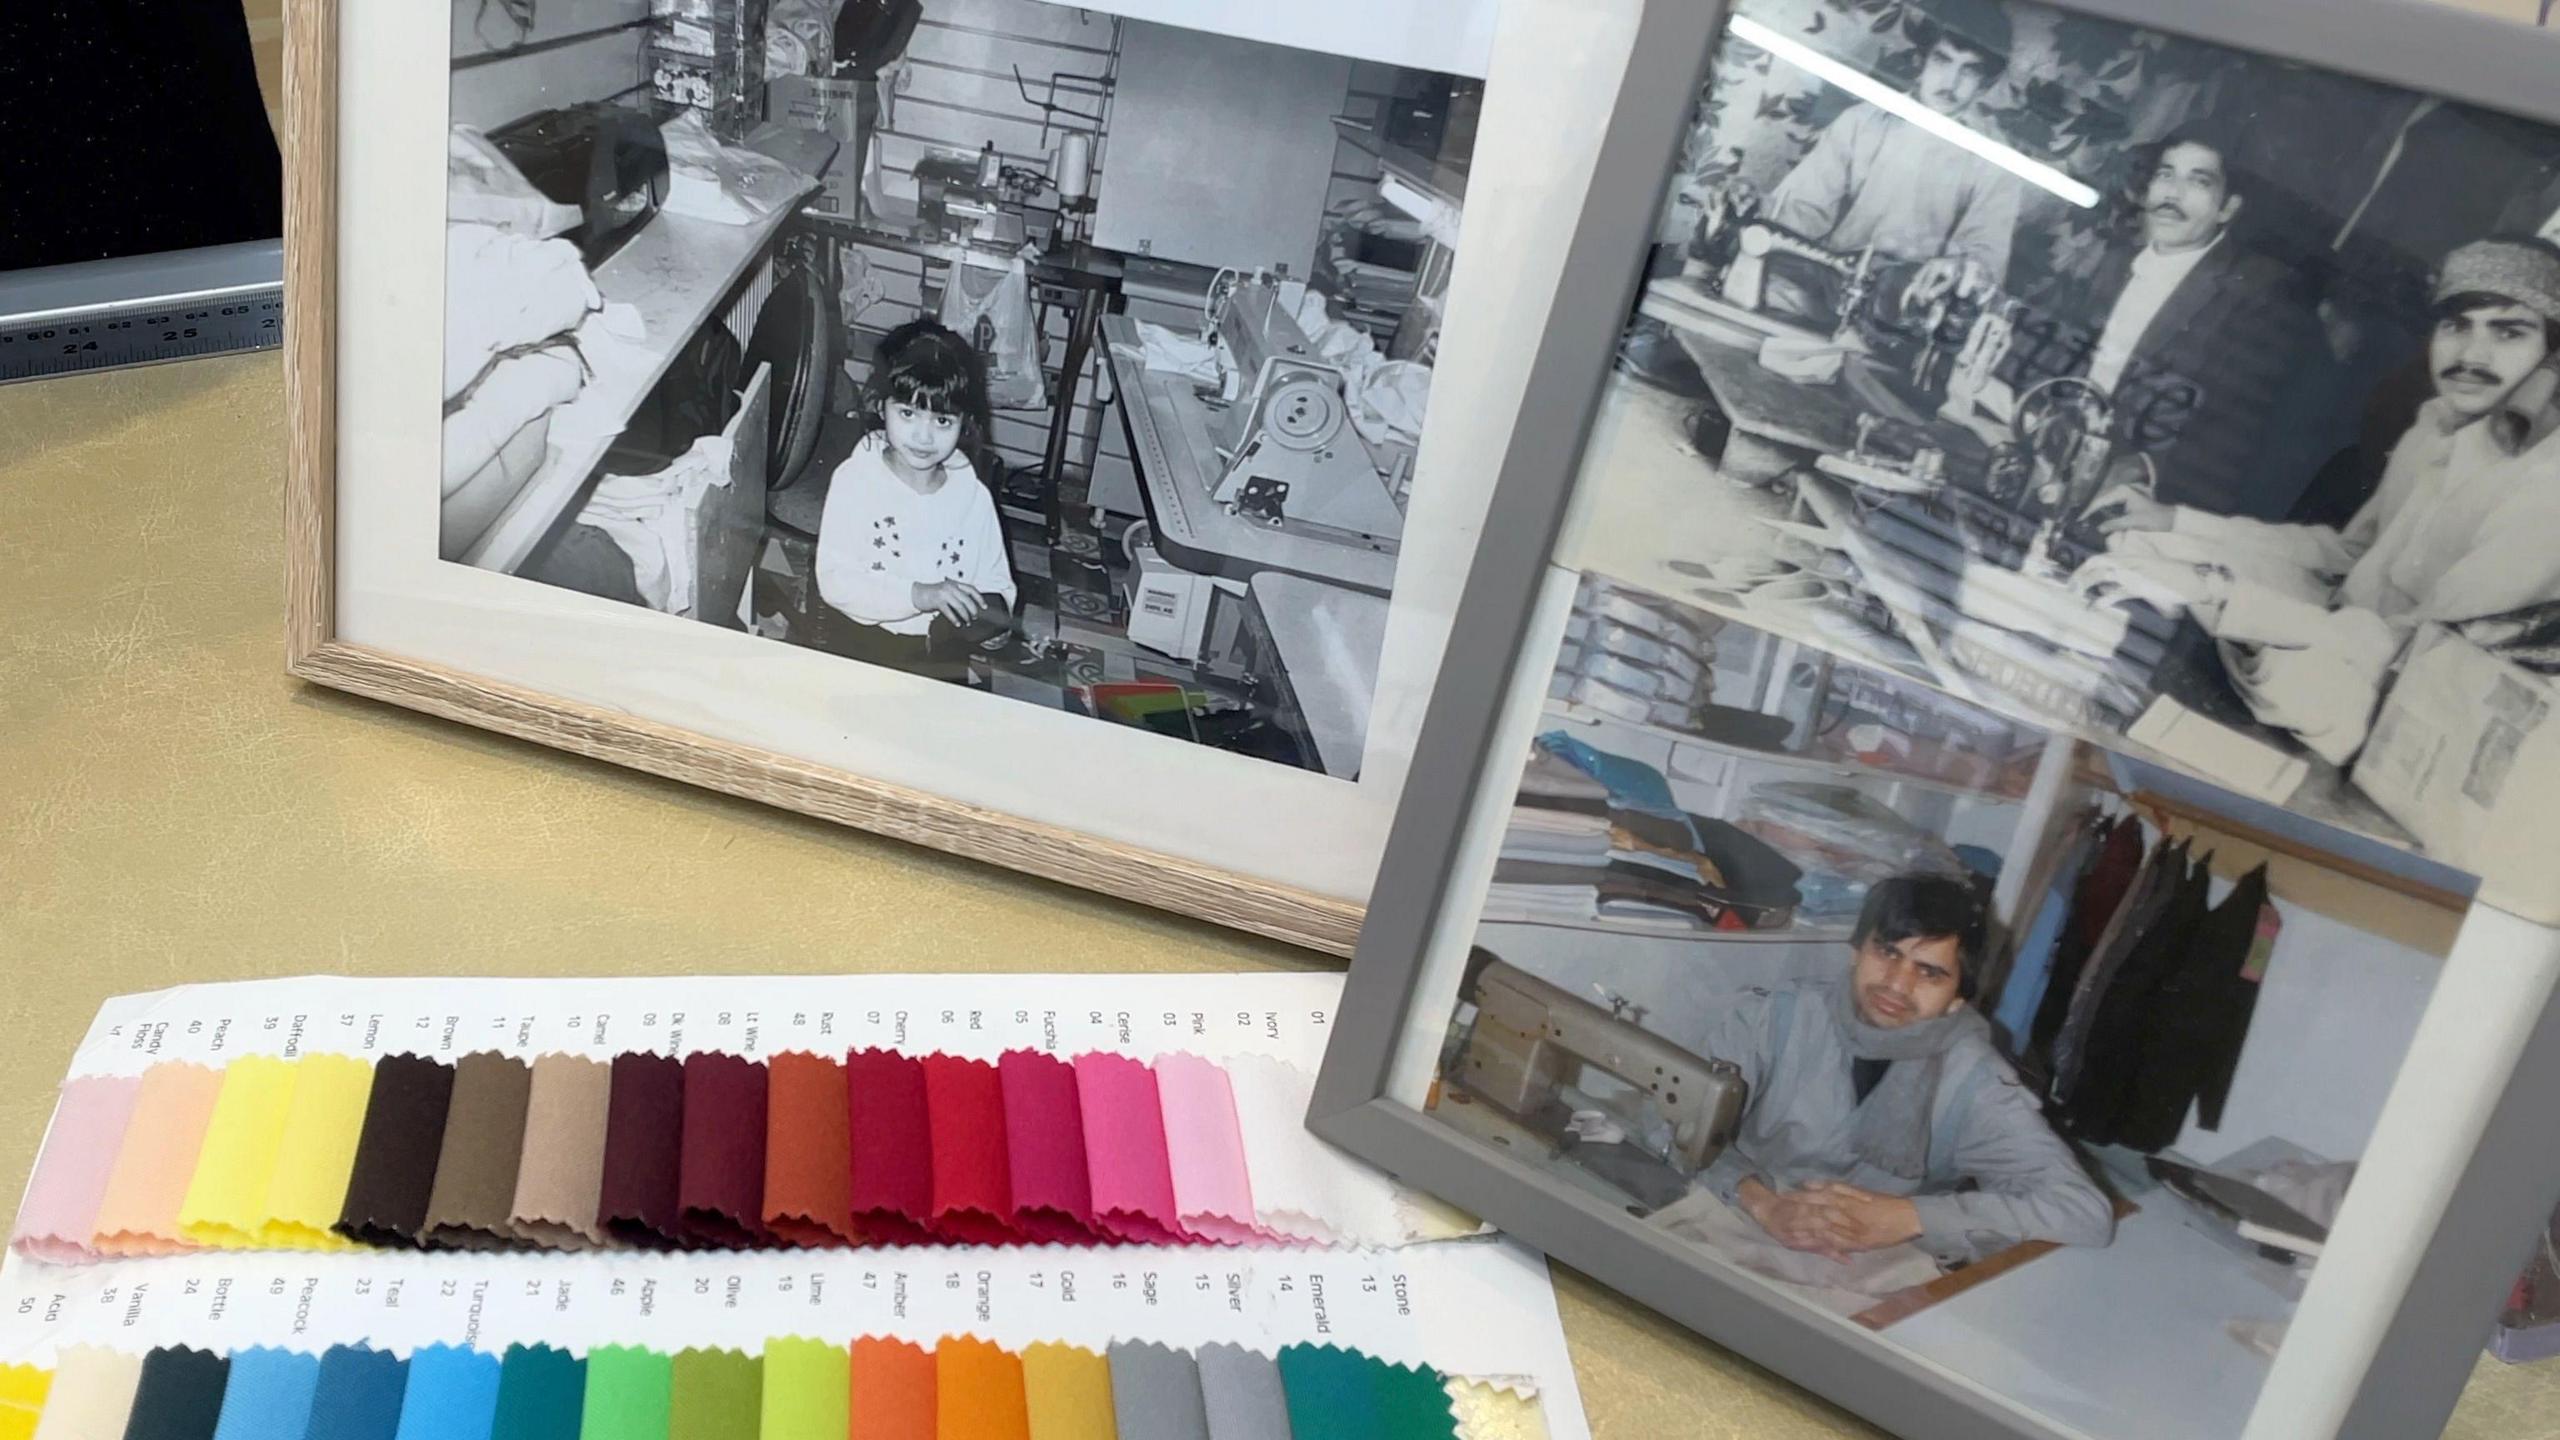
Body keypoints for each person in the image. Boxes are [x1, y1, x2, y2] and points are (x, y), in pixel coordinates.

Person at [2080, 237, 2560, 761]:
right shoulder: (2437, 426)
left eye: (2509, 332)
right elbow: (2349, 559)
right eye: (2456, 325)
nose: (2471, 355)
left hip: (2396, 723)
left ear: (2550, 353)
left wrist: (2219, 595)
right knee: (2146, 548)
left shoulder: (2546, 485)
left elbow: (2421, 655)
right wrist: (2174, 523)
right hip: (2324, 659)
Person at [1694, 875, 2115, 1264]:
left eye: (1929, 972)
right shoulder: (1776, 1017)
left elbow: (2082, 1211)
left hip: (1874, 1266)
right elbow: (1666, 1113)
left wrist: (1911, 1218)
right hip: (1738, 1217)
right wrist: (1762, 1202)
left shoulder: (1976, 1080)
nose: (1896, 984)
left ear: (1959, 997)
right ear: (1857, 951)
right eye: (1887, 952)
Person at [1759, 0, 2023, 317]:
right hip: (1828, 285)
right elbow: (1804, 208)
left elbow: (1984, 255)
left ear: (1987, 81)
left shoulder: (1997, 160)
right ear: (1923, 58)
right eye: (1942, 60)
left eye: (1969, 70)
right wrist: (1758, 211)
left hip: (1911, 309)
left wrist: (1959, 269)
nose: (1950, 83)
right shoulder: (1862, 121)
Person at [815, 319, 1019, 682]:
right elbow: (835, 580)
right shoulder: (856, 481)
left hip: (943, 653)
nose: (923, 436)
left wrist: (995, 621)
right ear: (880, 406)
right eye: (908, 413)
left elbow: (997, 579)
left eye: (942, 420)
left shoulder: (972, 498)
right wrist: (918, 595)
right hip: (860, 647)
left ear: (964, 423)